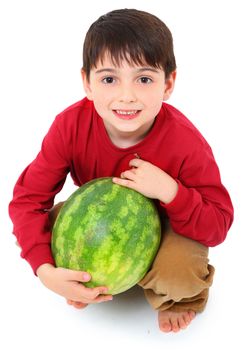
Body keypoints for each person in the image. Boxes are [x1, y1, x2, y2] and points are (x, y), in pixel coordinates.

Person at [9, 8, 233, 333]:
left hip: (171, 225)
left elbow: (219, 224)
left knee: (180, 277)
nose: (126, 96)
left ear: (168, 84)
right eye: (109, 79)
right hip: (102, 221)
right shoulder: (69, 126)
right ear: (87, 83)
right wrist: (44, 270)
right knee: (39, 231)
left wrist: (171, 191)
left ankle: (183, 300)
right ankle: (86, 281)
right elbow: (27, 201)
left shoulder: (186, 143)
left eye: (144, 79)